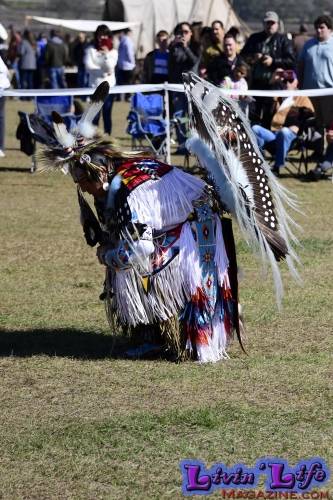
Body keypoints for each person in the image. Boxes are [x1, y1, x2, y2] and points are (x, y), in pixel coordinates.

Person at [39, 76, 299, 362]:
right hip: (185, 224)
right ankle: (156, 334)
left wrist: (108, 256)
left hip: (198, 229)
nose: (82, 188)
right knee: (130, 257)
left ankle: (176, 337)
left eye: (81, 180)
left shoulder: (128, 188)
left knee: (128, 265)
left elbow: (140, 249)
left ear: (97, 171)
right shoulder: (121, 175)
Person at [252, 70, 314, 175]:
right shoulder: (277, 97)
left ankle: (277, 167)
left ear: (296, 82)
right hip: (273, 134)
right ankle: (260, 163)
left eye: (290, 80)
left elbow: (310, 117)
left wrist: (299, 127)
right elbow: (265, 113)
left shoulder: (302, 98)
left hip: (292, 136)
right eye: (285, 81)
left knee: (284, 131)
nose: (287, 84)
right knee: (255, 129)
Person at [241, 11, 296, 128]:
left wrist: (273, 61)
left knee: (270, 117)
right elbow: (242, 56)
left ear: (277, 24)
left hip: (275, 86)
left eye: (272, 23)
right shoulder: (254, 38)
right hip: (255, 84)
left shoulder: (284, 40)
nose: (270, 25)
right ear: (263, 24)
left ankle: (268, 144)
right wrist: (253, 58)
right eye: (267, 23)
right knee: (252, 115)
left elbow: (291, 61)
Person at [298, 15, 333, 143]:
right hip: (310, 93)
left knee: (330, 125)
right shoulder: (308, 45)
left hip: (329, 93)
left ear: (330, 29)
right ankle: (317, 152)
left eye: (322, 28)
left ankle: (329, 155)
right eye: (317, 28)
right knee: (315, 124)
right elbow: (300, 66)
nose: (319, 30)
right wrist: (300, 87)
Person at [168, 22, 200, 152]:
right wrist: (174, 47)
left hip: (193, 88)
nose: (183, 34)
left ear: (191, 33)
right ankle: (182, 145)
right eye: (181, 32)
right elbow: (172, 63)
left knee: (193, 118)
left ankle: (195, 145)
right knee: (179, 116)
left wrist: (186, 47)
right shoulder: (175, 47)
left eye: (186, 32)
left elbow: (194, 61)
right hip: (177, 87)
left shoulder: (196, 46)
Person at [84, 25, 118, 135]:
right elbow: (89, 67)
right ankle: (94, 140)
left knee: (107, 114)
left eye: (104, 35)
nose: (101, 38)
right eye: (99, 35)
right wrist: (102, 72)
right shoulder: (90, 50)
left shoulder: (113, 52)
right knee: (94, 115)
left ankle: (107, 139)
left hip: (109, 87)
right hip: (94, 87)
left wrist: (106, 55)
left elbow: (110, 67)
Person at [116, 28, 135, 96]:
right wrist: (133, 62)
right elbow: (129, 53)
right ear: (129, 33)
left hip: (121, 64)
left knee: (120, 82)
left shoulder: (122, 41)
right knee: (128, 82)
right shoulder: (128, 40)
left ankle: (119, 96)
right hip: (128, 65)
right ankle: (128, 96)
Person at [0, 54, 10, 157]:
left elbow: (5, 72)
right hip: (4, 87)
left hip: (2, 89)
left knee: (0, 117)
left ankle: (0, 147)